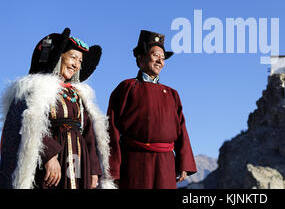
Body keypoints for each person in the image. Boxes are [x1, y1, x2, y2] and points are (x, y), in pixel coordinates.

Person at [0, 28, 115, 189]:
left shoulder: (78, 95)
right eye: (73, 57)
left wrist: (94, 170)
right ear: (59, 57)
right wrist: (50, 157)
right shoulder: (36, 90)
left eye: (80, 61)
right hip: (51, 161)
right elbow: (30, 125)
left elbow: (89, 134)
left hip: (78, 159)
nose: (76, 64)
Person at [107, 30, 197, 189]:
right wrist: (114, 169)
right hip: (134, 162)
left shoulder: (172, 94)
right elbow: (111, 129)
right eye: (156, 55)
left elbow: (181, 129)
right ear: (141, 58)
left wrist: (183, 163)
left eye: (163, 58)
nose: (160, 61)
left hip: (166, 164)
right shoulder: (127, 87)